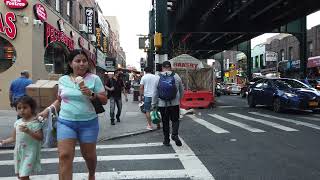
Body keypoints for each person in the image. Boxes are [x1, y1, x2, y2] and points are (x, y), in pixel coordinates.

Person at [38, 49, 108, 180]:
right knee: (64, 155)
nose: (82, 64)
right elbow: (60, 100)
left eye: (84, 61)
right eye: (78, 61)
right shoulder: (63, 79)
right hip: (66, 122)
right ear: (70, 63)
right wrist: (47, 110)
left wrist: (91, 94)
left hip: (88, 124)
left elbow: (104, 100)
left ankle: (91, 174)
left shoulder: (94, 79)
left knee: (89, 156)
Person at [0, 96, 43, 180]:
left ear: (32, 108)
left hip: (30, 153)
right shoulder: (17, 123)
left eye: (25, 107)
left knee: (24, 176)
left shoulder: (35, 123)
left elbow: (40, 138)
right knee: (20, 176)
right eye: (19, 108)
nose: (22, 110)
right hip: (19, 152)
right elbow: (13, 138)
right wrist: (4, 141)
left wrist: (28, 131)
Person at [152, 61, 184, 146]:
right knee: (175, 120)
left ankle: (166, 140)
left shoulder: (157, 77)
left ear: (162, 68)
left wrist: (153, 104)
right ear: (170, 67)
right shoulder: (176, 76)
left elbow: (155, 93)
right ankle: (175, 134)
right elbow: (182, 90)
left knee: (165, 122)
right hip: (174, 103)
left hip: (162, 104)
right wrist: (179, 100)